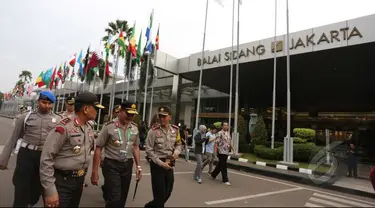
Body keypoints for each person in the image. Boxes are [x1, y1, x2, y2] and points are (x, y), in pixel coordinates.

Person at [39, 92, 104, 207]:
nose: (97, 111)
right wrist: (50, 190)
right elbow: (46, 158)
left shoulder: (88, 127)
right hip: (61, 182)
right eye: (95, 108)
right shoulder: (64, 127)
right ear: (86, 109)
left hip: (78, 181)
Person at [0, 90, 60, 207]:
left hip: (44, 157)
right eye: (43, 102)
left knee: (36, 190)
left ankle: (30, 200)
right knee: (21, 187)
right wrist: (3, 160)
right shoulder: (25, 117)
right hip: (26, 155)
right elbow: (13, 138)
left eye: (49, 103)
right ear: (38, 102)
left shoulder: (58, 120)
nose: (46, 106)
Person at [91, 101, 142, 207]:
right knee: (114, 198)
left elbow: (135, 147)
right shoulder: (109, 126)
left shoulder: (134, 128)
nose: (130, 117)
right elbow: (99, 148)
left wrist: (138, 166)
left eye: (132, 115)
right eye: (128, 114)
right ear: (120, 112)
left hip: (127, 165)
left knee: (123, 197)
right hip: (111, 165)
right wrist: (94, 171)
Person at [144, 106, 182, 208]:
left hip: (170, 163)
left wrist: (176, 153)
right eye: (160, 116)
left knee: (168, 192)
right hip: (157, 165)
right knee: (159, 196)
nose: (161, 118)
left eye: (164, 116)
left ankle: (149, 206)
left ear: (170, 117)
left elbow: (179, 144)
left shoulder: (175, 130)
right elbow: (149, 150)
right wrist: (161, 163)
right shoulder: (153, 131)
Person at [210, 121, 232, 186]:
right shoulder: (219, 133)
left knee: (221, 164)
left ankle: (213, 174)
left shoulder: (228, 133)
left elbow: (229, 142)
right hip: (221, 151)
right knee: (224, 165)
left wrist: (233, 149)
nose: (226, 126)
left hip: (226, 151)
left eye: (227, 125)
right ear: (222, 126)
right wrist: (215, 151)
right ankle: (225, 180)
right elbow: (216, 143)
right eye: (224, 125)